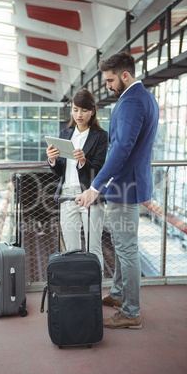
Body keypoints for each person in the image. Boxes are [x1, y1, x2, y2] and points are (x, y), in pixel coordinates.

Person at [75, 52, 159, 329]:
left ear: (125, 75)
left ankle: (131, 313)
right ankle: (121, 296)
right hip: (132, 183)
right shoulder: (145, 97)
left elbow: (122, 148)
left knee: (126, 249)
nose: (108, 86)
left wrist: (96, 186)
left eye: (111, 80)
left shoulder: (132, 101)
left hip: (125, 186)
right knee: (125, 248)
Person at [46, 89, 109, 273]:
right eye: (75, 110)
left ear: (92, 111)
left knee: (93, 248)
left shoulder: (100, 136)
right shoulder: (66, 134)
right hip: (67, 195)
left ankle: (94, 292)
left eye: (83, 110)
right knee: (71, 249)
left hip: (90, 195)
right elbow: (60, 170)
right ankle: (76, 292)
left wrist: (83, 161)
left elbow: (99, 169)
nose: (79, 114)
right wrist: (51, 160)